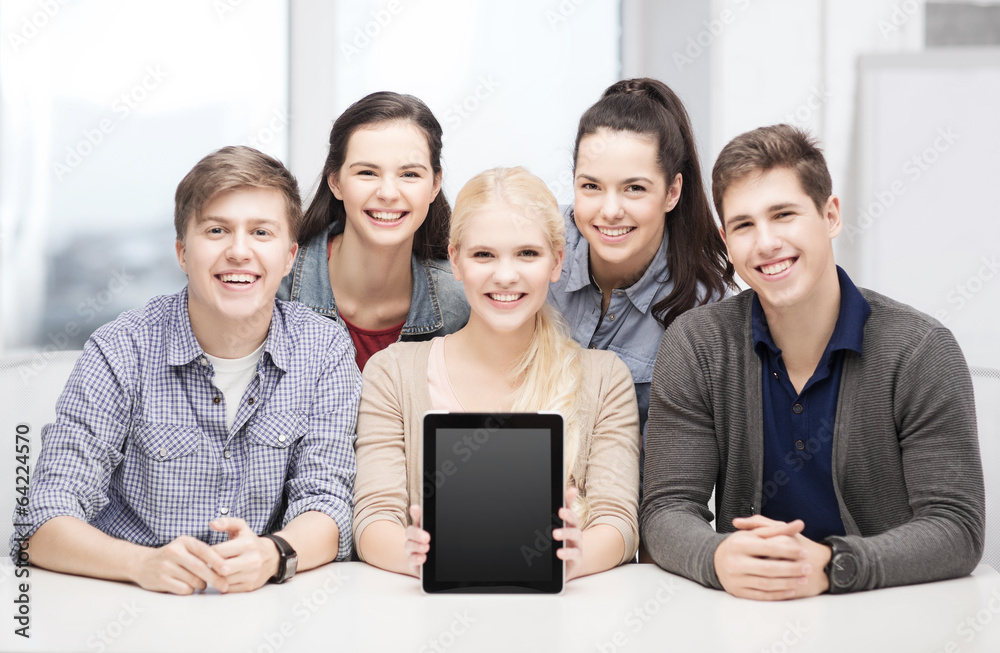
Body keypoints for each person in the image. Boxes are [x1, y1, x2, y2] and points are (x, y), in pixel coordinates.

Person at [641, 124, 985, 599]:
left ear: (830, 215)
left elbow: (957, 528)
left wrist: (830, 564)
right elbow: (665, 508)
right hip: (744, 616)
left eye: (783, 215)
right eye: (743, 225)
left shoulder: (920, 351)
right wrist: (716, 556)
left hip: (888, 614)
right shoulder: (697, 345)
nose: (765, 242)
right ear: (725, 238)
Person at [12, 146, 361, 595]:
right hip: (124, 603)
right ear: (182, 251)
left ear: (290, 256)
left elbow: (327, 501)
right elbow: (40, 520)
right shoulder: (121, 349)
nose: (239, 251)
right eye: (217, 230)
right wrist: (142, 565)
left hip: (261, 607)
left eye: (261, 232)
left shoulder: (324, 350)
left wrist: (274, 554)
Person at [353, 167, 640, 580]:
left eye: (527, 254)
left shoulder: (605, 378)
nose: (505, 276)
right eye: (483, 255)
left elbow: (618, 521)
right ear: (455, 261)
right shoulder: (393, 373)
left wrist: (575, 558)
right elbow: (373, 515)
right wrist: (412, 554)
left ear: (557, 262)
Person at [548, 77, 735, 440]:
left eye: (634, 188)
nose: (610, 210)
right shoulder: (534, 245)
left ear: (672, 192)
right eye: (591, 186)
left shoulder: (705, 310)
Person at [278, 91, 470, 372]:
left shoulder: (461, 302)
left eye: (409, 174)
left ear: (435, 184)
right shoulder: (277, 288)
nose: (388, 193)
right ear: (335, 182)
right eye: (367, 172)